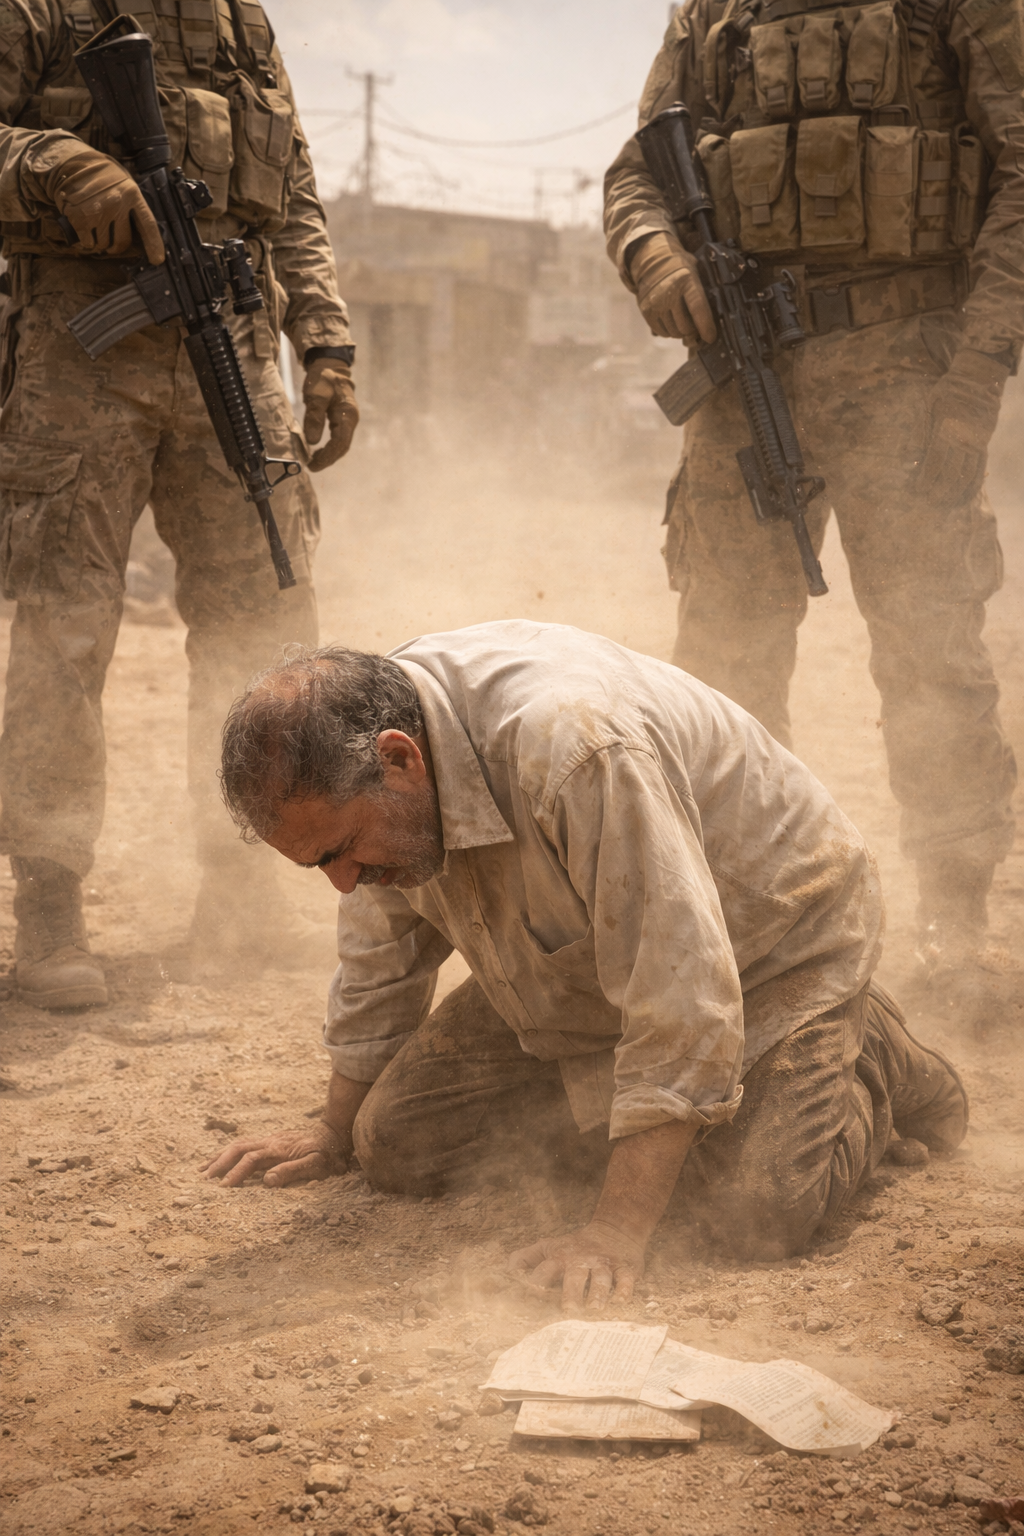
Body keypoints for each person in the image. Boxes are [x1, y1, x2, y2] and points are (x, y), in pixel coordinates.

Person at [204, 622, 967, 1306]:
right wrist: (334, 1129)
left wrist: (615, 1232)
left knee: (755, 1211)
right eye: (319, 864)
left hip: (768, 944)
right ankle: (675, 1103)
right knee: (397, 1144)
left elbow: (681, 993)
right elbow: (382, 957)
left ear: (399, 760)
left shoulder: (576, 748)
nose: (342, 883)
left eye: (341, 851)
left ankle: (869, 1050)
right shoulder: (377, 756)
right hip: (580, 959)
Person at [603, 0, 1021, 1018]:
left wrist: (976, 378)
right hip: (744, 374)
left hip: (906, 365)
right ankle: (751, 914)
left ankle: (953, 921)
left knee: (931, 654)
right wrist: (657, 258)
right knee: (723, 661)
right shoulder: (715, 12)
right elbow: (635, 176)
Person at [0, 0, 359, 1008]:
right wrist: (54, 163)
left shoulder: (242, 22)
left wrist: (325, 344)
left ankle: (243, 887)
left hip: (232, 346)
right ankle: (51, 906)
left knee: (264, 624)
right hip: (81, 346)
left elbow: (294, 196)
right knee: (66, 634)